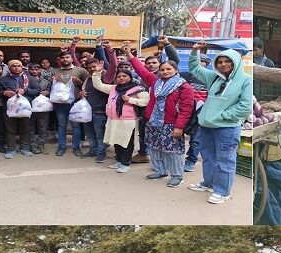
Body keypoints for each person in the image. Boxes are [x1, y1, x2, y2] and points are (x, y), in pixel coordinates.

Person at [187, 43, 252, 203]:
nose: (223, 65)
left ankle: (223, 192)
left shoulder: (246, 80)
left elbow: (245, 107)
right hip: (207, 125)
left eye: (227, 61)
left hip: (227, 128)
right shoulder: (214, 77)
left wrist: (222, 115)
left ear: (235, 62)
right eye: (220, 62)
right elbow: (195, 68)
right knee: (208, 157)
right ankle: (208, 183)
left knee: (225, 160)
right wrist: (195, 51)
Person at [128, 55, 193, 185]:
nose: (165, 72)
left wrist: (179, 127)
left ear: (176, 70)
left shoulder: (183, 87)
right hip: (153, 122)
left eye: (168, 69)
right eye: (162, 70)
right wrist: (130, 55)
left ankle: (177, 175)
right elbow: (142, 71)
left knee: (172, 151)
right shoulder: (155, 82)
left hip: (171, 124)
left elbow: (186, 109)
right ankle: (160, 171)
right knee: (154, 148)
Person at [91, 65, 149, 174]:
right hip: (113, 119)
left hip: (128, 121)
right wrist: (97, 73)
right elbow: (98, 85)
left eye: (124, 76)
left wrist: (131, 100)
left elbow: (146, 101)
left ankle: (126, 163)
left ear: (130, 77)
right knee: (116, 141)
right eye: (119, 76)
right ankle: (119, 161)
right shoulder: (114, 88)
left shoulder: (138, 89)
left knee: (127, 142)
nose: (121, 78)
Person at [0, 60, 40, 159]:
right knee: (10, 130)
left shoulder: (29, 78)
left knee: (25, 129)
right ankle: (11, 149)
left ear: (22, 67)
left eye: (19, 66)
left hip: (25, 109)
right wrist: (4, 93)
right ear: (9, 68)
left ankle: (24, 148)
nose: (16, 68)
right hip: (9, 109)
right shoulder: (3, 79)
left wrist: (25, 90)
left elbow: (37, 91)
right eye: (13, 66)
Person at [51, 51, 89, 157]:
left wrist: (80, 83)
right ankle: (61, 146)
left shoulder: (80, 70)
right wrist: (52, 81)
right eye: (62, 58)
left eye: (67, 57)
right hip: (60, 103)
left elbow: (89, 84)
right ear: (59, 59)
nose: (65, 59)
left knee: (76, 126)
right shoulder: (55, 71)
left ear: (72, 59)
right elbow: (53, 87)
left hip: (75, 103)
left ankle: (76, 147)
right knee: (61, 125)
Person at [182, 53, 212, 173]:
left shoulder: (210, 78)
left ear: (207, 64)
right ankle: (176, 158)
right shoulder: (184, 76)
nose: (200, 63)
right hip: (184, 111)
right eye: (197, 61)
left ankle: (191, 160)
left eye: (203, 61)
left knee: (196, 138)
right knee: (177, 135)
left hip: (201, 113)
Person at [27, 63, 52, 155]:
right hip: (29, 107)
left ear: (40, 70)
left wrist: (47, 92)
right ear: (28, 70)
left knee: (43, 128)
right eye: (32, 69)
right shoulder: (25, 80)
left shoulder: (46, 81)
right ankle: (32, 145)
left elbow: (52, 91)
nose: (34, 71)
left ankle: (41, 145)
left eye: (36, 69)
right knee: (30, 128)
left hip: (42, 109)